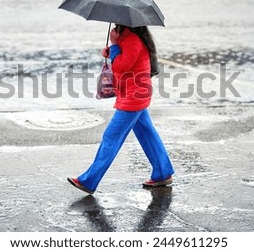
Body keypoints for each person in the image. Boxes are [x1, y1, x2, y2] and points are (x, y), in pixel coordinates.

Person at [67, 24, 174, 194]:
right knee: (147, 134)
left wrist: (115, 46)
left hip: (133, 97)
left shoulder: (132, 39)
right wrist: (111, 51)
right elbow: (127, 61)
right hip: (134, 93)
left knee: (111, 136)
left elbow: (121, 67)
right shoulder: (127, 36)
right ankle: (163, 172)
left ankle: (88, 181)